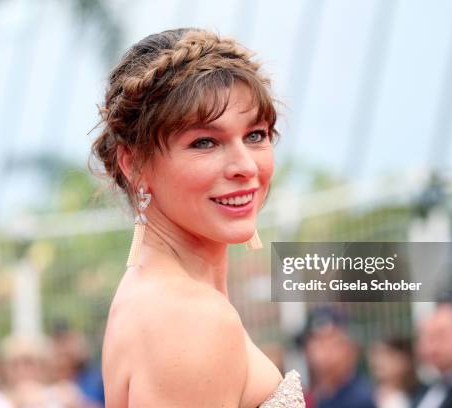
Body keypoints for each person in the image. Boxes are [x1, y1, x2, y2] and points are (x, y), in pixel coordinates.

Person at [92, 28, 304, 407]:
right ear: (133, 162)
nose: (244, 166)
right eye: (204, 142)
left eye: (255, 135)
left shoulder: (156, 296)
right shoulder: (189, 318)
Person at [297, 306, 376, 408]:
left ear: (351, 348)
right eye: (314, 342)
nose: (319, 351)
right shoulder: (311, 396)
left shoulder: (358, 400)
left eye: (329, 342)